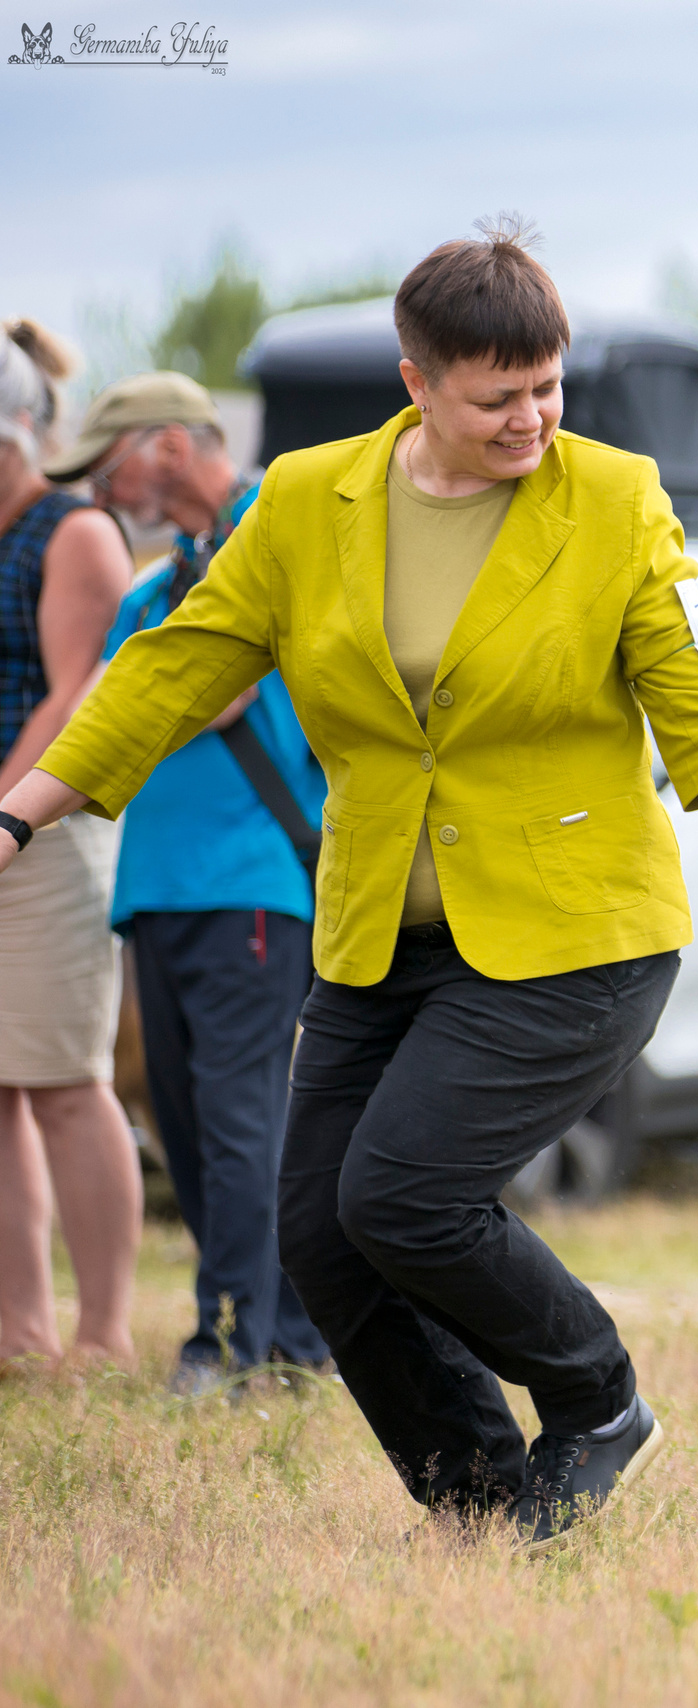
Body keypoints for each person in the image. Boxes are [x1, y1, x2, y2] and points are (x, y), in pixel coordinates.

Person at [0, 221, 698, 1543]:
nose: (530, 419)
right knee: (320, 1233)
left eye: (547, 388)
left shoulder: (617, 498)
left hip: (576, 930)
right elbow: (174, 667)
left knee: (401, 1196)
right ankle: (474, 1497)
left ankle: (600, 1402)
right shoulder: (308, 501)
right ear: (418, 382)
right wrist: (16, 819)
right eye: (496, 398)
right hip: (377, 931)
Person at [47, 372, 335, 1395]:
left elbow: (209, 692)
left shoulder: (271, 525)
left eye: (108, 460)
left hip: (248, 881)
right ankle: (289, 1335)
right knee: (190, 1117)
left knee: (237, 1120)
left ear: (167, 448)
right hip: (162, 885)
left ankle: (231, 1339)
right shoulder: (169, 576)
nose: (97, 487)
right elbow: (119, 692)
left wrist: (150, 671)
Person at [0, 318, 141, 1376]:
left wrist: (6, 816)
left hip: (39, 839)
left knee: (63, 1082)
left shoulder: (72, 532)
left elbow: (75, 696)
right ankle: (19, 1332)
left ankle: (101, 1333)